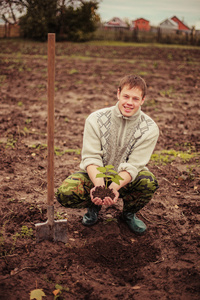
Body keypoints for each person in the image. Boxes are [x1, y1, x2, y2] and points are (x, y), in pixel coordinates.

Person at [56, 74, 159, 233]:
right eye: (125, 96)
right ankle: (93, 206)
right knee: (66, 192)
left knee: (148, 182)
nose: (129, 103)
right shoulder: (95, 119)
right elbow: (91, 158)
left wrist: (113, 189)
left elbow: (133, 165)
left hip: (127, 179)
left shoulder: (150, 128)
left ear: (143, 100)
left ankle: (128, 214)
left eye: (135, 99)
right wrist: (100, 189)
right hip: (97, 175)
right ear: (118, 93)